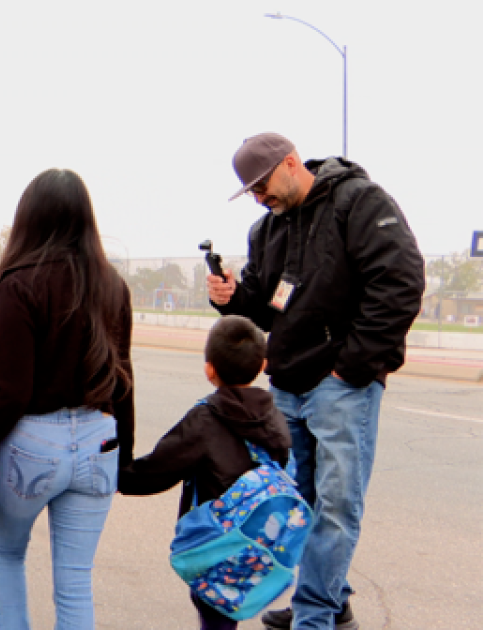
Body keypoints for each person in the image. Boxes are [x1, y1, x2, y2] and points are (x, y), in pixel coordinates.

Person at [209, 132, 425, 630]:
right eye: (251, 192)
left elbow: (401, 282)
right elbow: (264, 307)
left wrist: (350, 365)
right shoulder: (267, 230)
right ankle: (329, 599)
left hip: (341, 385)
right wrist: (230, 297)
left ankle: (314, 616)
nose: (260, 198)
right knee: (296, 507)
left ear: (290, 163)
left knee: (335, 506)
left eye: (262, 186)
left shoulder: (359, 202)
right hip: (287, 384)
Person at [0, 168, 134, 630]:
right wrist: (125, 458)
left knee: (6, 555)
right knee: (76, 581)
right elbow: (124, 380)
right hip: (100, 439)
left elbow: (14, 394)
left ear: (29, 218)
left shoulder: (17, 285)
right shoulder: (113, 286)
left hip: (33, 443)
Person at [119, 315, 291, 630]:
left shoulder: (205, 420)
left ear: (209, 369)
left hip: (216, 543)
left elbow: (159, 469)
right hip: (258, 541)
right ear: (262, 364)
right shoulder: (275, 417)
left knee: (214, 616)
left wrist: (118, 477)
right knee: (227, 615)